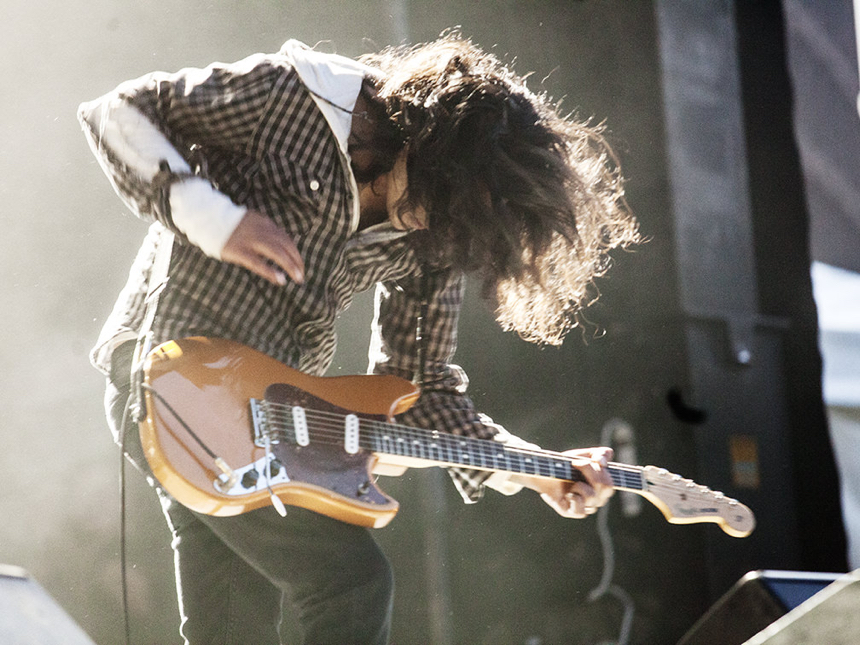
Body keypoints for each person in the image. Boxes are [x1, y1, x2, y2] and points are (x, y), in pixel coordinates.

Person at [79, 31, 640, 645]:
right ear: (429, 145)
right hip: (169, 377)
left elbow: (419, 390)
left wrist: (538, 470)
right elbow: (119, 112)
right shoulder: (295, 99)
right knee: (349, 581)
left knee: (233, 627)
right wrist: (217, 220)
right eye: (439, 200)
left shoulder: (435, 238)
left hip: (263, 425)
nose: (430, 223)